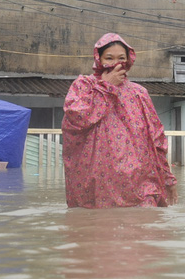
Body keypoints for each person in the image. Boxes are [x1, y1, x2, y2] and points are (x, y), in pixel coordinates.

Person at [62, 33, 178, 208]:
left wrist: (168, 180)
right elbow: (78, 118)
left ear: (129, 60)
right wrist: (106, 86)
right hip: (97, 185)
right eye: (109, 58)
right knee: (100, 230)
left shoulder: (139, 93)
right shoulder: (84, 86)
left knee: (145, 229)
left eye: (121, 58)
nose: (116, 63)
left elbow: (157, 138)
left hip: (141, 183)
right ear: (98, 59)